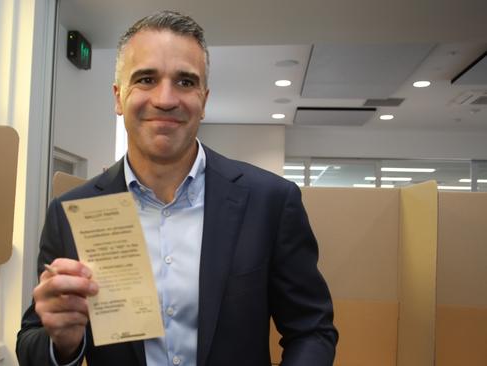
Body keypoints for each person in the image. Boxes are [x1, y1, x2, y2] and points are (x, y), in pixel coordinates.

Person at [17, 10, 337, 366]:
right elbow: (32, 339)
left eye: (185, 82)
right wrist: (62, 342)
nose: (166, 99)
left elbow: (312, 330)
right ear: (119, 97)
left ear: (204, 99)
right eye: (146, 79)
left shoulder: (270, 203)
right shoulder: (70, 213)